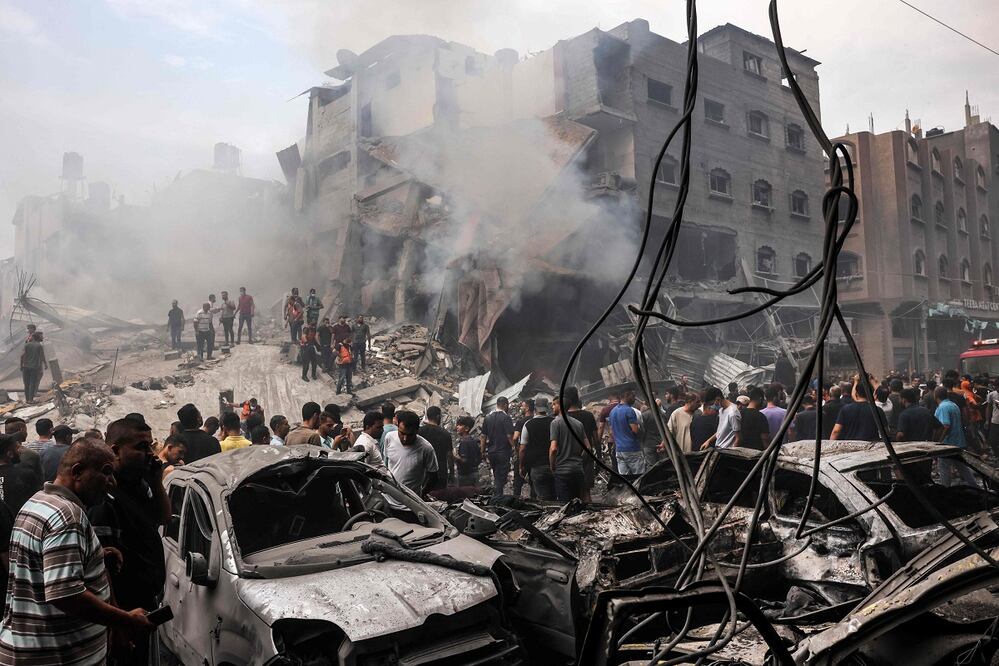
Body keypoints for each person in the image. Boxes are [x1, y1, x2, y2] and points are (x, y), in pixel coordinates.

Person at [0, 439, 154, 664]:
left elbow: (42, 564)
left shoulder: (37, 501)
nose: (112, 482)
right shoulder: (67, 516)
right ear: (78, 472)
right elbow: (65, 595)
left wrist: (93, 556)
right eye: (106, 472)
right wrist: (126, 620)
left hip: (31, 648)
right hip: (56, 656)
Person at [383, 410, 438, 497]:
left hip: (411, 503)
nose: (405, 438)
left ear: (417, 430)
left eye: (410, 435)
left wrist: (420, 495)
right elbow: (386, 463)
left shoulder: (426, 448)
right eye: (402, 433)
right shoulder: (389, 438)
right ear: (397, 426)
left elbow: (433, 476)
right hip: (389, 498)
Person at [934, 386, 977, 486]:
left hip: (947, 443)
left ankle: (945, 489)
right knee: (962, 467)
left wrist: (939, 442)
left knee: (944, 467)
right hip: (958, 441)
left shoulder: (943, 407)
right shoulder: (953, 405)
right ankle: (974, 486)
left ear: (936, 395)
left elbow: (945, 426)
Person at [549, 397, 587, 501]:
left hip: (562, 471)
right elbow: (588, 447)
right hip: (577, 470)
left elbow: (553, 449)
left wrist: (552, 466)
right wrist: (579, 461)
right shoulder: (578, 424)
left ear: (560, 406)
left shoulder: (556, 423)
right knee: (577, 503)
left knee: (565, 504)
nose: (552, 407)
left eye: (554, 404)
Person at [565, 386, 598, 502]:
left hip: (568, 459)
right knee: (586, 491)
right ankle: (589, 512)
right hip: (587, 457)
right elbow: (596, 439)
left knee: (571, 494)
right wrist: (599, 457)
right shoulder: (588, 416)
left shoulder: (562, 419)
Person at [520, 395, 556, 499]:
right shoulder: (554, 422)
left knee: (542, 498)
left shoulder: (528, 424)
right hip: (554, 465)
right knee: (555, 497)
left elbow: (522, 449)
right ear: (547, 407)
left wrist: (521, 466)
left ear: (535, 408)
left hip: (536, 467)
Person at [481, 397, 515, 497]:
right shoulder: (506, 418)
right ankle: (497, 499)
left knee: (496, 476)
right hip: (503, 452)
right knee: (500, 479)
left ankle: (496, 496)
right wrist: (514, 447)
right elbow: (509, 436)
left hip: (491, 452)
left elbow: (483, 436)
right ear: (505, 405)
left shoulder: (487, 417)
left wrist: (482, 451)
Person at [0, 433, 39, 518]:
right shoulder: (26, 475)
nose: (20, 451)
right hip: (20, 523)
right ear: (10, 454)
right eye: (17, 448)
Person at [609, 390, 644, 475]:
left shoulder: (612, 412)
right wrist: (641, 429)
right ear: (626, 395)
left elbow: (611, 432)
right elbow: (635, 430)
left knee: (625, 478)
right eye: (633, 396)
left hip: (619, 450)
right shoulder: (629, 410)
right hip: (632, 449)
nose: (634, 399)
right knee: (639, 477)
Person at [420, 406, 454, 491]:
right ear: (438, 417)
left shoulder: (419, 432)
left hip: (423, 472)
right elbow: (449, 456)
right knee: (439, 496)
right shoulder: (445, 434)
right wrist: (452, 473)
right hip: (440, 473)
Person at [453, 416, 480, 488]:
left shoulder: (464, 442)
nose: (457, 427)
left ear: (467, 429)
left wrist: (454, 456)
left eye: (460, 425)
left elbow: (464, 460)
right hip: (475, 472)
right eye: (457, 425)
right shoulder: (473, 441)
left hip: (465, 475)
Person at [20, 331, 47, 403]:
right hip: (34, 367)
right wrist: (44, 364)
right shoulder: (39, 346)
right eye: (41, 336)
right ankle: (31, 400)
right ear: (37, 337)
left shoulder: (27, 345)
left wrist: (21, 365)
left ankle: (27, 400)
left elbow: (22, 356)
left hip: (26, 367)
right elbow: (41, 356)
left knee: (26, 384)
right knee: (32, 383)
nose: (42, 337)